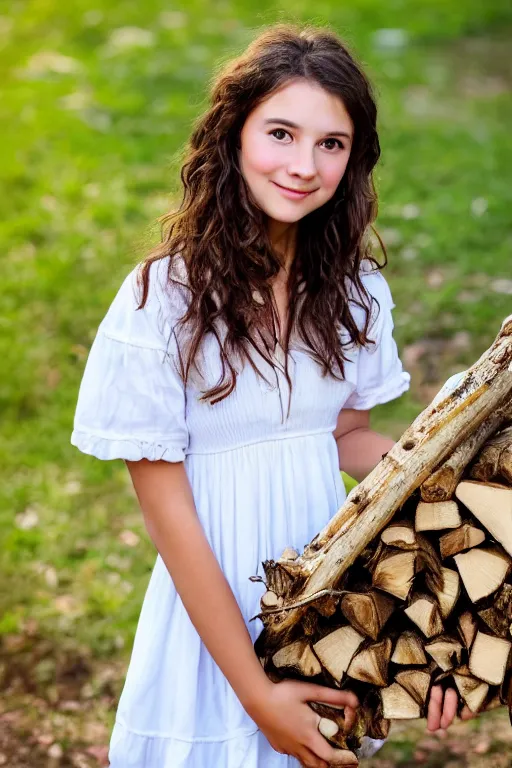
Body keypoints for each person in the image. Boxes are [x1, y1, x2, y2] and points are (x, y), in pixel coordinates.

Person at [71, 23, 473, 768]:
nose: (303, 165)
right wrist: (255, 691)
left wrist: (449, 556)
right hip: (215, 615)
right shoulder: (161, 300)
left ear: (354, 160)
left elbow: (347, 435)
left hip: (325, 601)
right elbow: (169, 517)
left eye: (332, 143)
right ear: (233, 136)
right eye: (281, 133)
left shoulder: (356, 293)